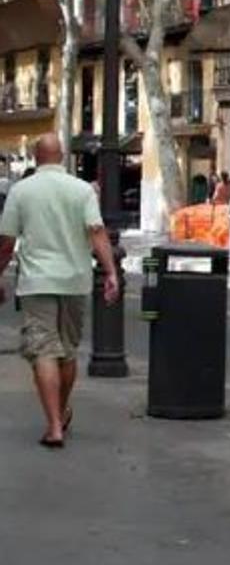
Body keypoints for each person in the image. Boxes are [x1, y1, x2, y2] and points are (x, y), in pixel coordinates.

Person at [0, 134, 119, 448]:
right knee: (66, 351)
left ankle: (54, 424)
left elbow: (7, 242)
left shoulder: (21, 191)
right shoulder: (81, 190)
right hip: (75, 279)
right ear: (62, 156)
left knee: (43, 350)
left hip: (37, 281)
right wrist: (111, 271)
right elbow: (96, 231)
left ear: (37, 156)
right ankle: (60, 412)